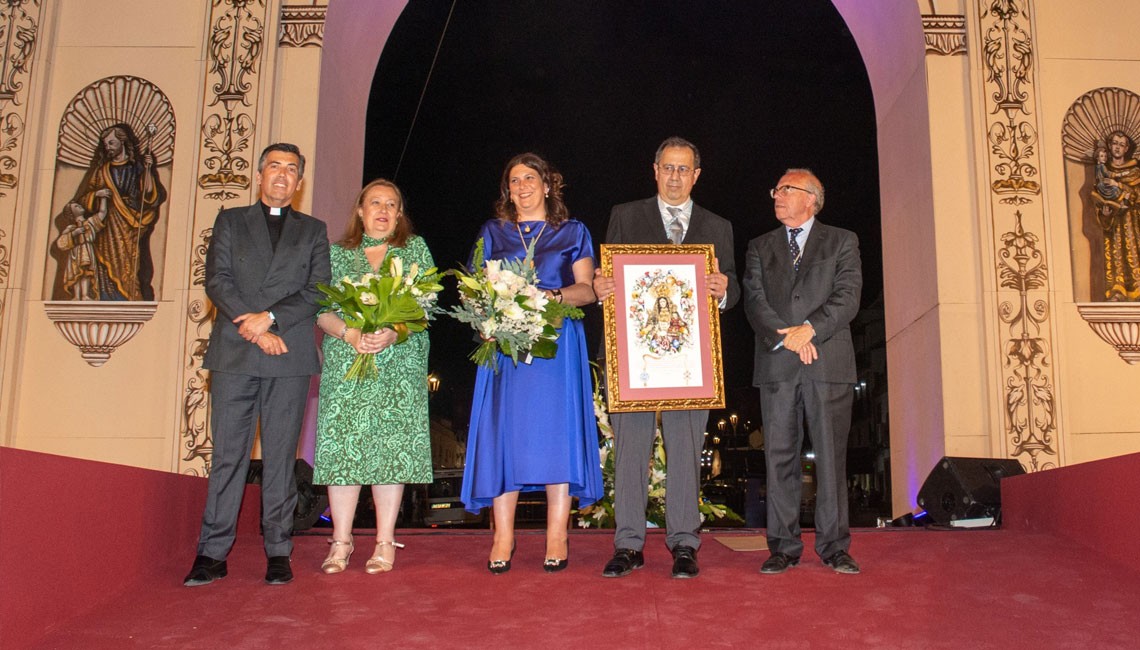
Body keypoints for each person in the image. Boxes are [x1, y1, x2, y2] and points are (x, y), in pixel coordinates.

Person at [184, 143, 331, 587]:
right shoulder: (230, 220)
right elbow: (217, 279)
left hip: (288, 355)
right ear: (260, 174)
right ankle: (212, 553)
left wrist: (271, 319)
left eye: (291, 170)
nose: (282, 175)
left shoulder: (313, 230)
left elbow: (319, 289)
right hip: (236, 351)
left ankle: (278, 551)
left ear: (300, 182)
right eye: (274, 167)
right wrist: (255, 327)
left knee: (282, 459)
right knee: (229, 456)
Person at [592, 137, 739, 579]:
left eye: (684, 169)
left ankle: (684, 544)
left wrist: (725, 290)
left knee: (685, 449)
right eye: (668, 168)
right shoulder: (625, 214)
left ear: (696, 175)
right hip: (633, 362)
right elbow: (607, 280)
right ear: (654, 170)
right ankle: (628, 544)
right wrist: (601, 290)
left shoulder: (719, 226)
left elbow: (733, 289)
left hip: (691, 363)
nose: (675, 177)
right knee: (631, 452)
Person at [460, 152, 602, 574]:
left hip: (557, 347)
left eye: (529, 178)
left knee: (555, 434)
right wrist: (487, 317)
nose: (520, 187)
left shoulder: (573, 231)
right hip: (506, 349)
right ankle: (503, 534)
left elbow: (587, 291)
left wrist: (551, 298)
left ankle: (557, 532)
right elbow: (471, 291)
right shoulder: (493, 231)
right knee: (506, 436)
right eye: (513, 181)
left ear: (547, 185)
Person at [743, 168, 862, 575]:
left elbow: (848, 297)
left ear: (811, 198)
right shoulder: (759, 246)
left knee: (830, 456)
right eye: (775, 188)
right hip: (777, 363)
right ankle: (782, 546)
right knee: (778, 458)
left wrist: (810, 329)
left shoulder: (843, 241)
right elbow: (754, 301)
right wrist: (788, 337)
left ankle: (834, 547)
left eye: (785, 189)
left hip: (827, 361)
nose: (776, 195)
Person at [312, 179, 434, 574]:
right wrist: (349, 333)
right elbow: (320, 309)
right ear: (360, 211)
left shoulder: (414, 250)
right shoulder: (335, 254)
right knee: (345, 447)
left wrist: (394, 331)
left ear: (400, 214)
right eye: (375, 203)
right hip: (348, 360)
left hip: (398, 363)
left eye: (392, 204)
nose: (383, 210)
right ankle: (341, 541)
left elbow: (425, 306)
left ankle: (384, 541)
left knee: (390, 448)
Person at [67, 123, 167, 301]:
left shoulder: (137, 168)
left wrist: (148, 170)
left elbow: (149, 196)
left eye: (111, 143)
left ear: (123, 142)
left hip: (130, 222)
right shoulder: (102, 171)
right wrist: (96, 194)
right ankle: (106, 298)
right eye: (106, 144)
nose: (108, 147)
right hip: (106, 227)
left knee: (130, 263)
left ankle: (130, 297)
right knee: (105, 263)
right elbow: (81, 200)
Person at [1089, 131, 1140, 301]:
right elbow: (1099, 195)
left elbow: (1137, 195)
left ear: (1127, 148)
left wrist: (1118, 185)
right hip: (1114, 221)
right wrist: (1104, 212)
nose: (1117, 147)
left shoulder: (1135, 171)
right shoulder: (1103, 170)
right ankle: (1118, 292)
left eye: (1121, 144)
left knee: (1134, 252)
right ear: (1110, 147)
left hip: (1133, 221)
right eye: (1114, 144)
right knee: (1115, 253)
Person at [55, 198, 109, 301]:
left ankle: (85, 295)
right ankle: (76, 296)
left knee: (86, 273)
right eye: (76, 206)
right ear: (71, 213)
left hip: (87, 249)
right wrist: (75, 233)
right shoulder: (71, 227)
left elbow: (102, 213)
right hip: (76, 251)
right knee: (77, 273)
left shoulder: (90, 223)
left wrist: (103, 198)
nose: (79, 206)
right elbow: (61, 243)